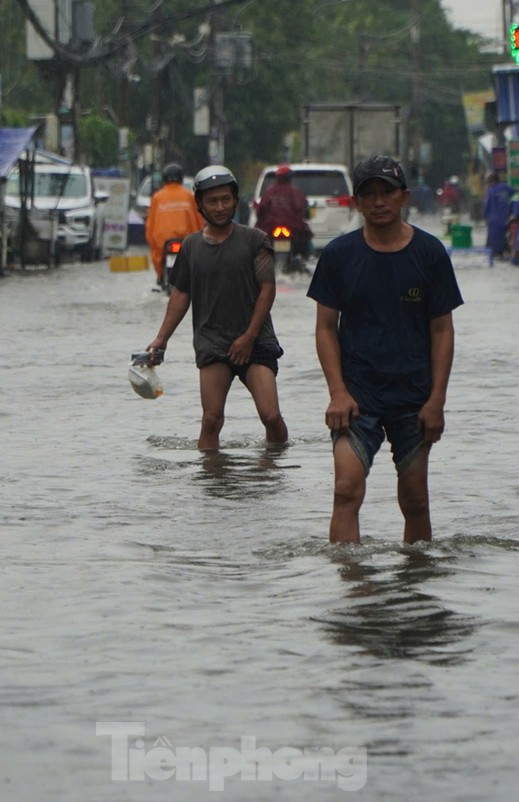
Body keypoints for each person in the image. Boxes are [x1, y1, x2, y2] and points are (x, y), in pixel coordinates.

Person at [307, 155, 463, 544]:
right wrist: (337, 393)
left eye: (387, 192)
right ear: (356, 202)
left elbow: (443, 330)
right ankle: (352, 592)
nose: (378, 202)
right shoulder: (339, 255)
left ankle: (414, 589)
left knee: (415, 501)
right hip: (356, 397)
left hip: (414, 397)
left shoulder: (429, 254)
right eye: (369, 194)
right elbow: (325, 328)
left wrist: (437, 400)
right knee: (345, 489)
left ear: (404, 196)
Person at [146, 165, 289, 451]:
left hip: (256, 341)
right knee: (211, 420)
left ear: (235, 200)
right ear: (199, 204)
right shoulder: (190, 247)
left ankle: (274, 469)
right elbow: (181, 295)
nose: (220, 207)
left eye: (226, 199)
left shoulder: (255, 240)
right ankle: (210, 480)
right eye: (212, 201)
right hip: (212, 342)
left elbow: (267, 289)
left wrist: (248, 337)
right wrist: (161, 340)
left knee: (271, 416)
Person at [145, 163, 203, 290]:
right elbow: (199, 220)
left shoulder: (157, 197)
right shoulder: (189, 196)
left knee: (156, 252)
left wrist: (151, 240)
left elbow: (151, 224)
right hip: (187, 239)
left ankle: (160, 276)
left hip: (163, 240)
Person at [254, 164, 312, 259]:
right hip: (292, 228)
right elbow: (303, 210)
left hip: (271, 228)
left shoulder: (269, 192)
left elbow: (261, 210)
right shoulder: (296, 193)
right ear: (290, 178)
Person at [482, 171, 515, 267]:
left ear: (491, 181)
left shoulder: (490, 191)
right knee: (504, 237)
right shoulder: (505, 187)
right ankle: (504, 251)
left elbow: (487, 206)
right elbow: (516, 193)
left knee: (494, 240)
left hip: (494, 220)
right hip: (505, 218)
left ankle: (497, 253)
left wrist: (485, 216)